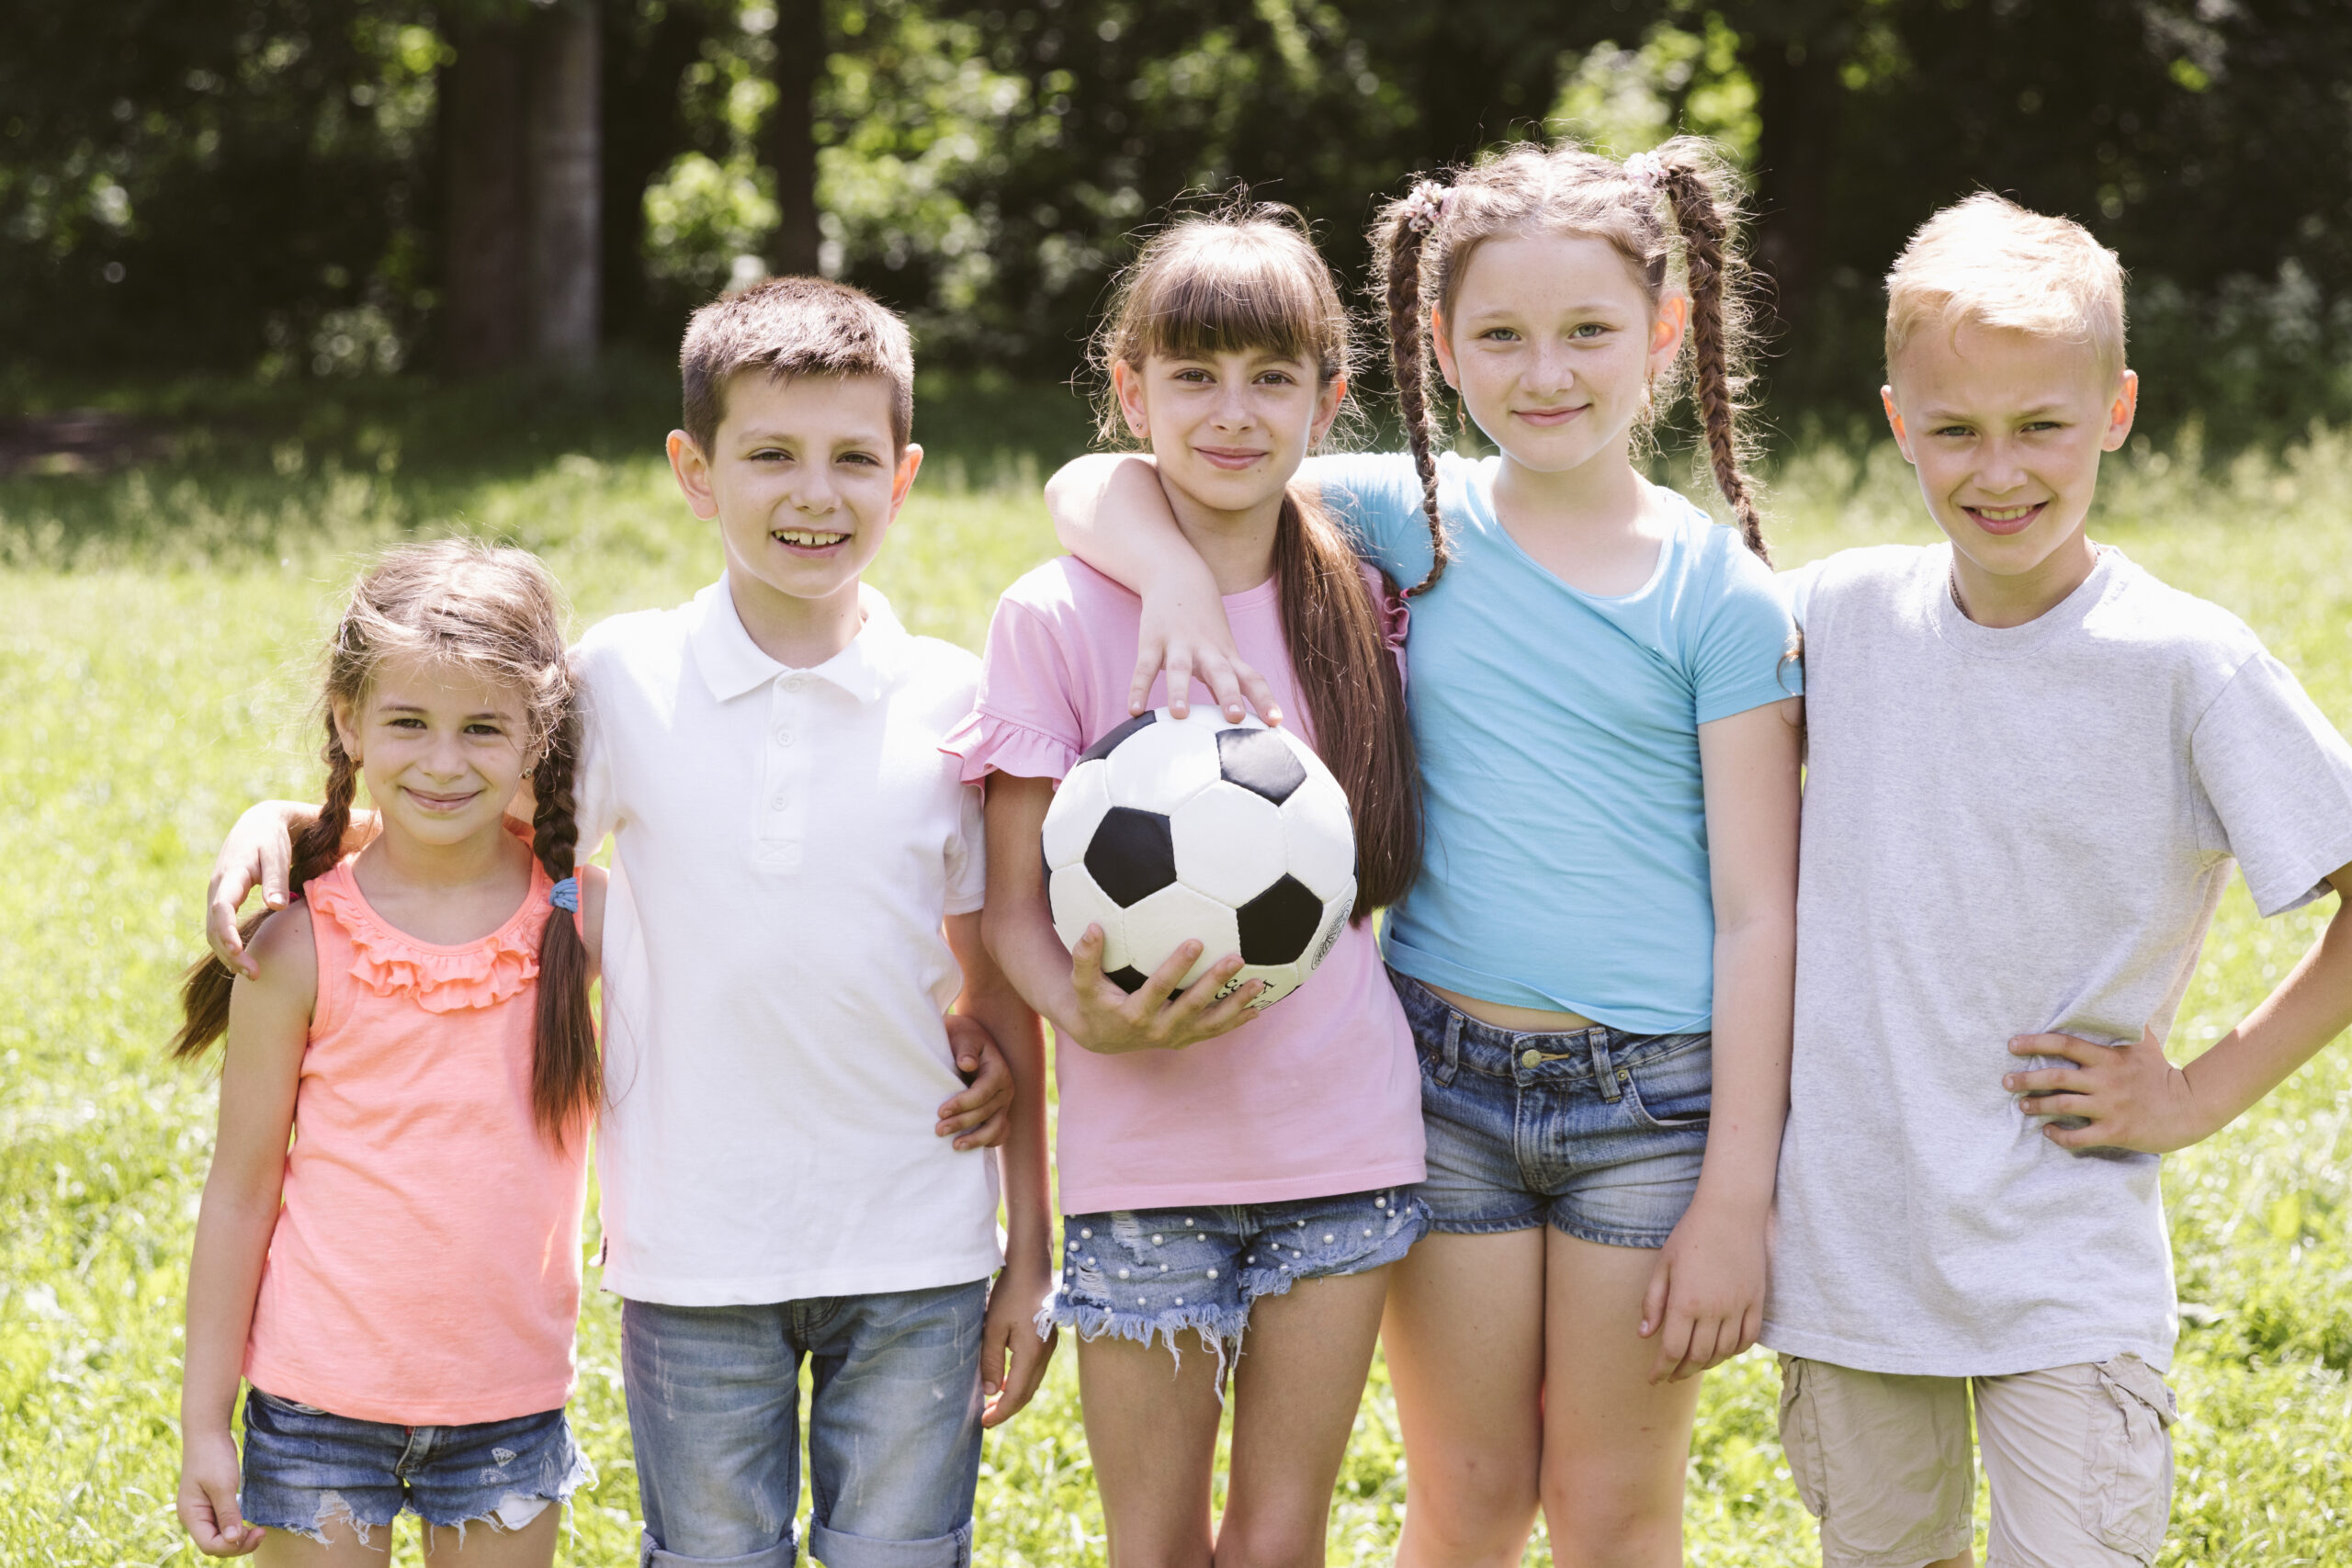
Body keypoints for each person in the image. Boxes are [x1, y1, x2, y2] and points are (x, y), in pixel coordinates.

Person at [200, 277, 1054, 1568]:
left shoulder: (955, 698)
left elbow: (1000, 988)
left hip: (917, 1237)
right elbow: (474, 830)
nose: (813, 493)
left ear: (907, 474)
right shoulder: (621, 678)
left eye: (851, 459)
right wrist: (290, 821)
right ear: (694, 471)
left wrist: (1030, 1242)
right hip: (692, 1249)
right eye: (769, 454)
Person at [1043, 141, 1803, 1567]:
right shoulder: (1409, 519)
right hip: (1442, 1082)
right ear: (1438, 346)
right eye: (1501, 336)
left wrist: (1738, 1195)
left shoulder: (1721, 596)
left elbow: (1765, 911)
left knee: (1614, 1505)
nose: (1546, 371)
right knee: (1465, 1498)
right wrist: (1164, 574)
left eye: (1587, 331)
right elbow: (1100, 479)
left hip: (1653, 1104)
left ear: (1664, 331)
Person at [1759, 194, 2352, 1568]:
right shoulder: (1836, 616)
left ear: (2118, 408)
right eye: (1956, 428)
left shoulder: (2183, 663)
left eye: (2042, 425)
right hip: (1854, 1248)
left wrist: (2197, 1092)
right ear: (1897, 419)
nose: (1999, 469)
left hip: (2063, 1255)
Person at [948, 204, 1429, 1566]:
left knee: (1282, 1541)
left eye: (1274, 376)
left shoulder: (1367, 587)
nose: (1233, 411)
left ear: (1331, 399)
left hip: (1344, 1146)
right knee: (1152, 1545)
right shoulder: (1055, 614)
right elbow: (1009, 908)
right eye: (1194, 374)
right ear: (1128, 387)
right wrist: (1078, 1011)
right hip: (1140, 1162)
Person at [174, 541, 605, 1562]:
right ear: (348, 719)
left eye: (482, 728)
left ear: (536, 732)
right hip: (316, 1402)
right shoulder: (301, 943)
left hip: (508, 1405)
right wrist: (203, 1418)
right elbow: (240, 1190)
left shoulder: (586, 920)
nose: (443, 761)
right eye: (408, 723)